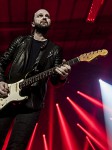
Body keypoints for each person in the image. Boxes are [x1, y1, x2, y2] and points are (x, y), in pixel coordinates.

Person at [0, 9, 71, 150]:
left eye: (47, 16)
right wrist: (0, 81)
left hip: (31, 105)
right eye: (40, 15)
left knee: (17, 146)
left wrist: (63, 76)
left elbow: (55, 81)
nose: (44, 18)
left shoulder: (55, 49)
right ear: (33, 23)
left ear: (50, 23)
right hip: (6, 97)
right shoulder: (20, 41)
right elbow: (1, 63)